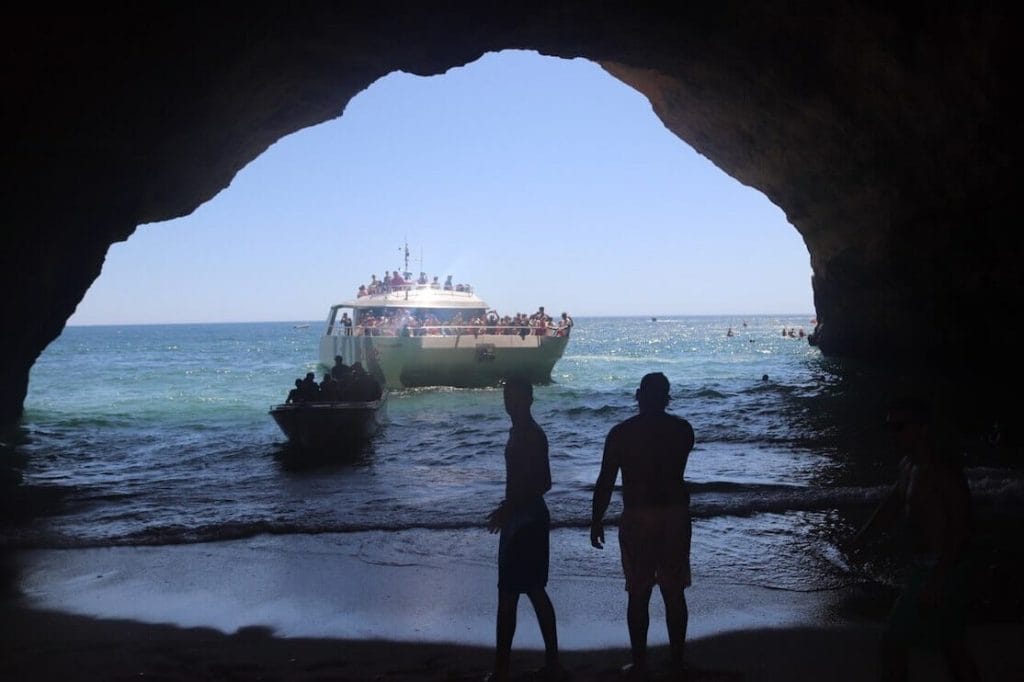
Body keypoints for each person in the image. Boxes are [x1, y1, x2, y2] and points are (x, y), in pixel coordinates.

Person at [850, 399, 980, 682]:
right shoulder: (908, 464)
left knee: (894, 642)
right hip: (928, 567)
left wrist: (938, 577)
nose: (894, 433)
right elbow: (894, 503)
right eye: (889, 427)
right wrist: (863, 536)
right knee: (952, 646)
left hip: (943, 568)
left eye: (900, 426)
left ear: (922, 429)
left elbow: (962, 526)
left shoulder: (941, 471)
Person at [591, 372, 695, 677]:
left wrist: (597, 519)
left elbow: (606, 481)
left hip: (638, 515)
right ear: (667, 398)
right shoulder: (682, 431)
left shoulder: (621, 434)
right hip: (675, 514)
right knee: (674, 591)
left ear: (639, 395)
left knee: (638, 592)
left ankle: (640, 663)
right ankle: (676, 661)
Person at [486, 377, 563, 681]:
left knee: (513, 594)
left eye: (515, 397)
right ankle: (548, 663)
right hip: (521, 517)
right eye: (506, 396)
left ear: (529, 399)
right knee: (527, 592)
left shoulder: (531, 434)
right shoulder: (520, 432)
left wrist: (509, 508)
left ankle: (503, 670)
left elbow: (543, 482)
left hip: (526, 520)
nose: (509, 402)